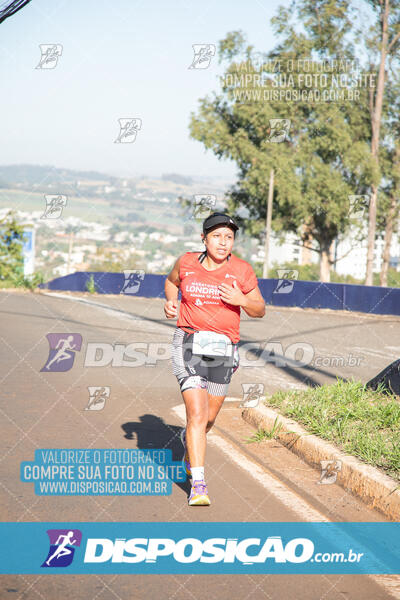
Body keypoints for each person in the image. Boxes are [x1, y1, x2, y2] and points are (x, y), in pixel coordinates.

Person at [164, 212, 265, 506]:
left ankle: (189, 445)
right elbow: (171, 282)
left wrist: (242, 300)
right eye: (217, 236)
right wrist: (171, 301)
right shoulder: (185, 263)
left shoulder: (242, 270)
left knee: (208, 419)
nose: (223, 243)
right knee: (196, 415)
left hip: (224, 350)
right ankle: (198, 483)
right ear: (204, 238)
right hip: (188, 342)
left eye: (229, 237)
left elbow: (260, 309)